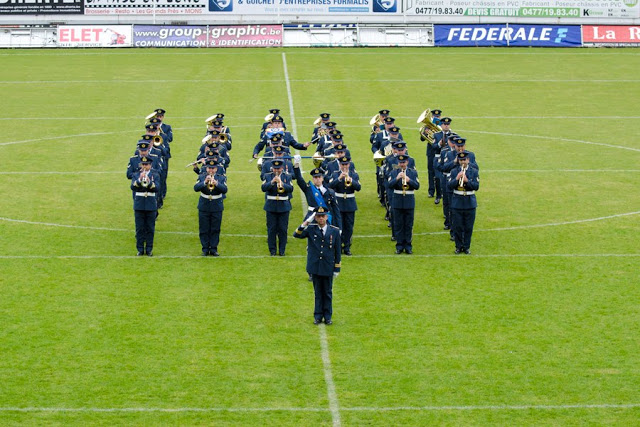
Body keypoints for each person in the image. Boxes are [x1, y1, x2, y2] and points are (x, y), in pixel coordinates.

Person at [293, 206, 341, 325]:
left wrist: (337, 267)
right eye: (318, 216)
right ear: (315, 217)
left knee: (327, 292)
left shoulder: (334, 231)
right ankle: (318, 316)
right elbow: (296, 234)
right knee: (318, 293)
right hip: (315, 266)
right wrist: (306, 222)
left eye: (323, 216)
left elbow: (337, 251)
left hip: (327, 266)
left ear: (326, 217)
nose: (321, 219)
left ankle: (328, 316)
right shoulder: (311, 229)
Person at [447, 151, 479, 254]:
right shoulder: (454, 171)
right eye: (461, 160)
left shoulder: (474, 171)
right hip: (457, 202)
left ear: (468, 160)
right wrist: (457, 179)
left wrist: (467, 181)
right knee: (458, 226)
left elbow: (476, 186)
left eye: (464, 160)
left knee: (468, 226)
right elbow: (449, 185)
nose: (463, 162)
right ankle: (458, 246)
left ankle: (466, 247)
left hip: (470, 202)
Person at [194, 158, 227, 256]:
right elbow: (196, 188)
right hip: (204, 205)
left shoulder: (221, 178)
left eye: (213, 168)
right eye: (209, 168)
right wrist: (204, 182)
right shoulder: (202, 176)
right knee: (204, 228)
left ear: (216, 169)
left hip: (216, 205)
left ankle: (213, 248)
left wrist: (216, 183)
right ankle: (205, 248)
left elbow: (225, 189)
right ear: (206, 168)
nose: (211, 170)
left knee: (215, 228)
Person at [328, 156, 361, 255]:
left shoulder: (354, 175)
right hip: (338, 203)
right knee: (338, 226)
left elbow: (358, 187)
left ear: (349, 165)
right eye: (342, 164)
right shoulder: (335, 174)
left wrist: (351, 180)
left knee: (349, 227)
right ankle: (337, 246)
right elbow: (330, 186)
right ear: (340, 165)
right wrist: (339, 179)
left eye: (346, 164)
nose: (344, 166)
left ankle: (347, 247)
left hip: (350, 203)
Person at [387, 155, 420, 254]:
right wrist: (397, 178)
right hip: (397, 201)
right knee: (398, 224)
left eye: (404, 162)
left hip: (409, 201)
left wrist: (409, 180)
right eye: (400, 163)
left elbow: (417, 186)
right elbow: (389, 185)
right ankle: (399, 246)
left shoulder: (413, 173)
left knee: (408, 225)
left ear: (407, 162)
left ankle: (408, 246)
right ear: (398, 163)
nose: (402, 164)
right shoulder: (393, 172)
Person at [261, 159, 294, 256]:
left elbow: (291, 189)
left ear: (282, 168)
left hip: (284, 206)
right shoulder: (267, 176)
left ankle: (282, 250)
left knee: (283, 229)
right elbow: (263, 188)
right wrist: (272, 182)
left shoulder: (287, 176)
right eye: (275, 169)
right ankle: (272, 250)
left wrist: (282, 184)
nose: (277, 171)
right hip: (271, 206)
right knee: (271, 229)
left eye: (278, 168)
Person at [131, 157, 160, 256]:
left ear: (150, 165)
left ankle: (149, 249)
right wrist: (140, 180)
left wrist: (149, 182)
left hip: (150, 204)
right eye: (143, 164)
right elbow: (133, 187)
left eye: (146, 164)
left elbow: (157, 188)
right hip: (139, 204)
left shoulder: (155, 174)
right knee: (139, 228)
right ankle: (140, 249)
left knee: (150, 228)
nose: (144, 166)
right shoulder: (136, 174)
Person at [429, 116, 452, 204]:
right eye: (444, 124)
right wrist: (439, 144)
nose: (446, 126)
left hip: (449, 158)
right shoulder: (436, 135)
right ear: (441, 125)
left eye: (447, 124)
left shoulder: (453, 135)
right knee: (438, 177)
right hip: (439, 157)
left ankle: (448, 194)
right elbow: (433, 147)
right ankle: (438, 195)